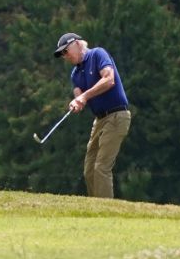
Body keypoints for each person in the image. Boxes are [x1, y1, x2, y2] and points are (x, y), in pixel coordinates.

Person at [54, 32, 131, 198]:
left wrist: (83, 97)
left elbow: (109, 79)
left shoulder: (97, 54)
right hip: (100, 119)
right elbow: (78, 95)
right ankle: (96, 207)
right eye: (62, 54)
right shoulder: (75, 74)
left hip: (117, 115)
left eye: (66, 51)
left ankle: (107, 212)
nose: (64, 56)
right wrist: (76, 102)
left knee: (101, 167)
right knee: (89, 169)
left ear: (77, 44)